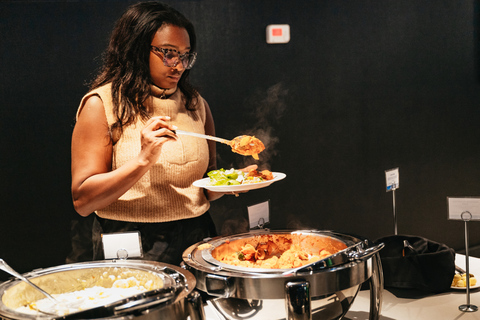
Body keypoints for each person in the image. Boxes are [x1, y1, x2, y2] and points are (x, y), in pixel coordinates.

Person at [70, 1, 253, 265]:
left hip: (197, 235)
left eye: (186, 55)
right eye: (168, 53)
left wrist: (233, 182)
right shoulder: (102, 104)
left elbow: (206, 187)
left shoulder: (195, 104)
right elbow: (83, 201)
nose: (179, 65)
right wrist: (143, 159)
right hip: (131, 240)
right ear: (136, 50)